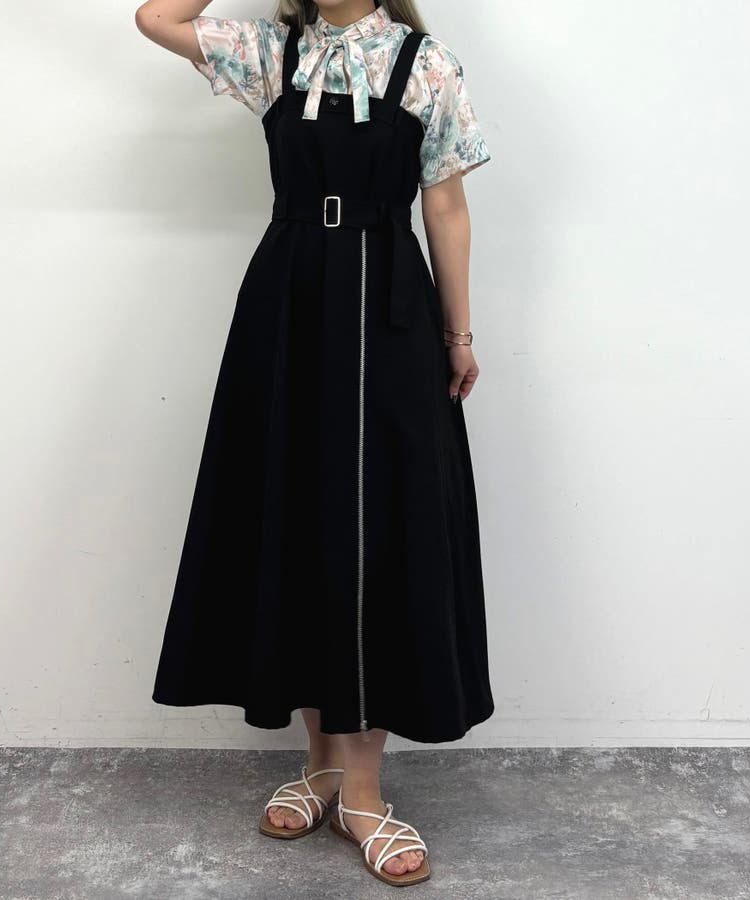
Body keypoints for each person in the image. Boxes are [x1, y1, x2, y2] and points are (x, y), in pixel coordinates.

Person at [135, 0, 495, 886]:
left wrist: (458, 335)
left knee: (375, 531)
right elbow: (156, 18)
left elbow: (446, 206)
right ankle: (321, 764)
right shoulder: (273, 51)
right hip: (288, 304)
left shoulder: (424, 63)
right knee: (297, 514)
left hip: (390, 305)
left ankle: (363, 790)